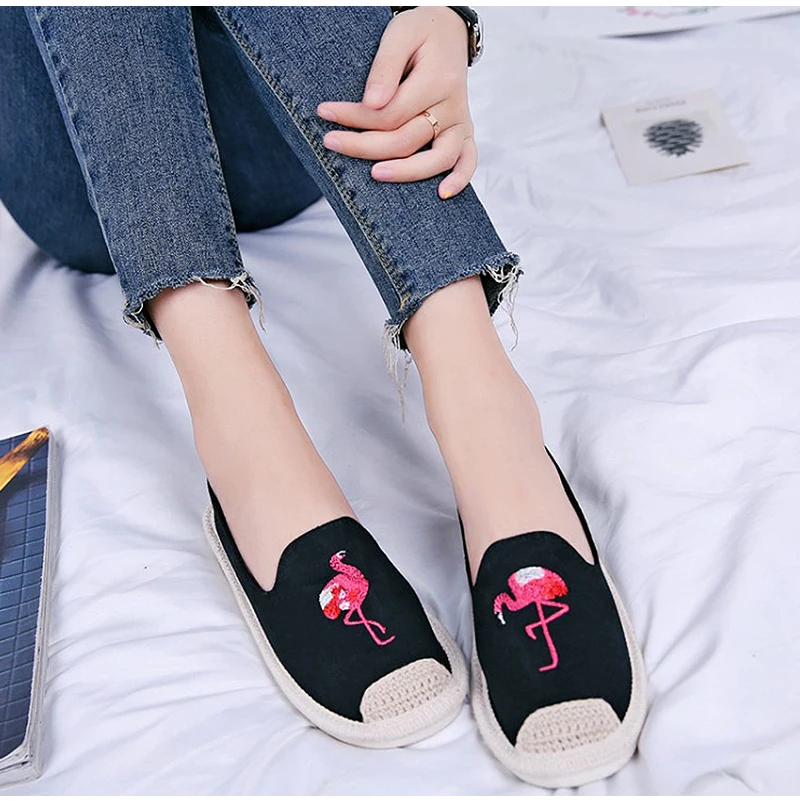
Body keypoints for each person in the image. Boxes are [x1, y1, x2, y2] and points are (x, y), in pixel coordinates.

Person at [0, 6, 646, 787]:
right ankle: (244, 425)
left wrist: (445, 15)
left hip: (276, 117)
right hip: (77, 153)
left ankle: (482, 407)